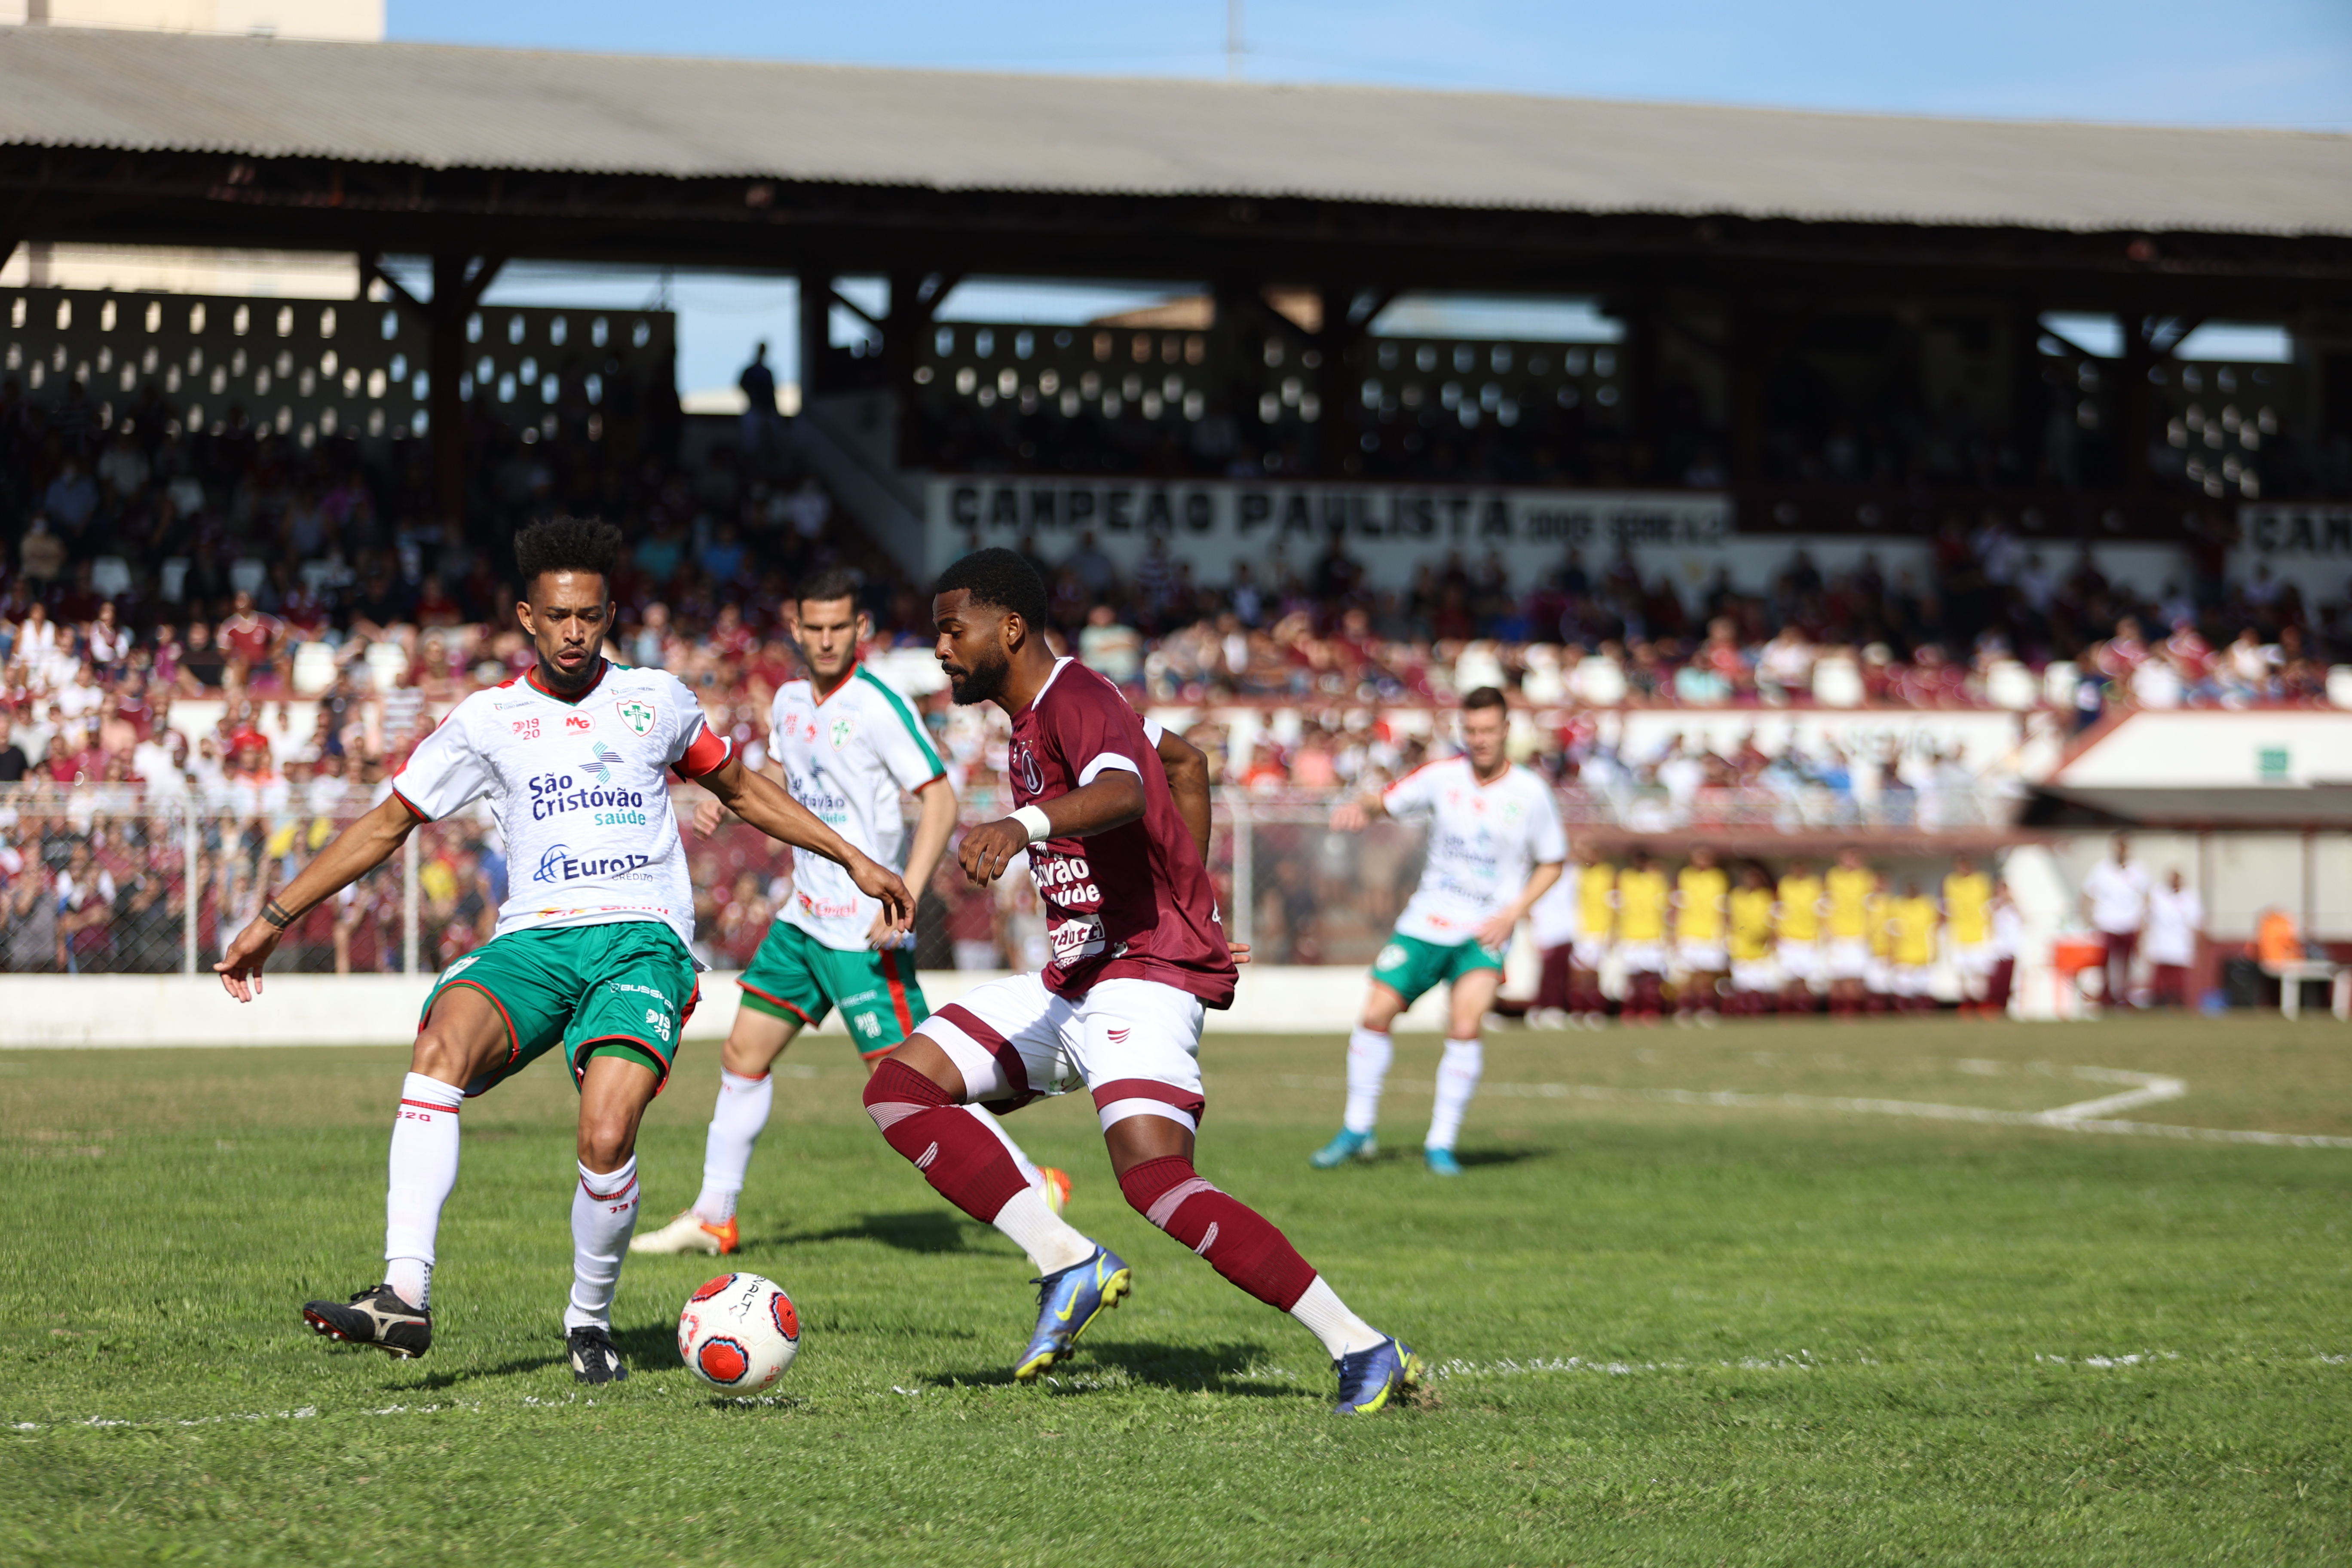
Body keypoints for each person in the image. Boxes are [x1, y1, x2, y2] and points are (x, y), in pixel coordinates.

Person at [213, 518, 914, 1383]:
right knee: (439, 1050)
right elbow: (388, 823)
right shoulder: (488, 720)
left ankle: (589, 1320)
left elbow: (739, 788)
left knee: (607, 1130)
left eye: (591, 615)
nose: (577, 632)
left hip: (640, 941)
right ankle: (403, 1293)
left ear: (609, 613)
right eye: (559, 617)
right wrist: (272, 920)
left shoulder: (656, 700)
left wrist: (852, 856)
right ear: (527, 619)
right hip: (534, 941)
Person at [860, 548, 1420, 1413]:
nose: (940, 648)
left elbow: (1123, 791)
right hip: (1075, 977)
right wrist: (1198, 908)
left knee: (1155, 1181)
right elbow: (1187, 763)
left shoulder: (1076, 700)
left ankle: (1363, 1347)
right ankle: (1067, 1261)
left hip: (1139, 978)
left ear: (1010, 628)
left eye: (951, 628)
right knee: (902, 1088)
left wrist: (1023, 826)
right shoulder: (1063, 709)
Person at [635, 568, 1070, 1256]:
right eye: (817, 627)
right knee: (743, 1054)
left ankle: (1030, 1186)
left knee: (910, 1083)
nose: (830, 639)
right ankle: (714, 1215)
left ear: (860, 629)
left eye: (842, 627)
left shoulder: (876, 704)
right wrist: (731, 793)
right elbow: (784, 779)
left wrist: (906, 892)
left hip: (864, 931)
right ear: (797, 627)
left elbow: (940, 798)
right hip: (804, 917)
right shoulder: (785, 700)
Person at [1313, 686, 1566, 1175]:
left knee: (1466, 1025)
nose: (1481, 740)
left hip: (1486, 931)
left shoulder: (1531, 793)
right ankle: (1357, 1129)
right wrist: (1361, 808)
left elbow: (1552, 863)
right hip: (1427, 921)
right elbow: (1385, 801)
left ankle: (1441, 1144)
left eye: (1490, 730)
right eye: (1472, 731)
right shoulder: (1442, 778)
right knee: (1375, 1014)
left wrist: (1513, 914)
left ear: (1507, 731)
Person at [2080, 833, 2150, 1009]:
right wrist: (2087, 918)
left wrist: (2144, 921)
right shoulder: (2101, 869)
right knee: (2105, 964)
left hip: (2129, 923)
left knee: (2127, 963)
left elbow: (2146, 896)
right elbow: (2087, 893)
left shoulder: (2138, 869)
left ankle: (2123, 995)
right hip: (2106, 923)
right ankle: (2106, 995)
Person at [1672, 845, 1728, 1024]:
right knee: (1686, 975)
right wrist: (1673, 932)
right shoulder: (1685, 876)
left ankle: (1705, 1010)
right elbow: (1676, 907)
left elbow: (1723, 908)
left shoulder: (1719, 878)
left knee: (1706, 976)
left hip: (1711, 933)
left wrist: (1725, 931)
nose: (1703, 861)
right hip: (1688, 932)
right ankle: (1685, 1010)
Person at [1614, 848, 1671, 1025]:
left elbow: (1666, 907)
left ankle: (1650, 1012)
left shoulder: (1657, 879)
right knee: (1632, 978)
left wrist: (1668, 932)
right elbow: (1617, 906)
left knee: (1652, 977)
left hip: (1652, 934)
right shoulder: (1624, 878)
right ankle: (1630, 1012)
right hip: (1630, 934)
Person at [1822, 848, 1876, 1018]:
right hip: (1838, 934)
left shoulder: (1866, 878)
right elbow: (1826, 904)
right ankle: (1836, 1012)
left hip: (1858, 934)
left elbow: (1871, 906)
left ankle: (1850, 1013)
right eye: (1848, 856)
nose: (1851, 860)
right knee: (1837, 977)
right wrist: (1827, 928)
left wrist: (1870, 930)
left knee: (1854, 978)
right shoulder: (1832, 877)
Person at [1568, 845, 1615, 1027]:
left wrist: (1612, 931)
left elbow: (1614, 904)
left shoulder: (1608, 874)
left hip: (1599, 930)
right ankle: (1578, 1011)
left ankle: (1594, 1011)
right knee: (1578, 974)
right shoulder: (1577, 874)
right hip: (1579, 930)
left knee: (1594, 972)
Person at [1944, 854, 1995, 1018]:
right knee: (1962, 974)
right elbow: (1948, 906)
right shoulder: (1951, 882)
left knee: (1980, 974)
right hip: (1959, 935)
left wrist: (1992, 930)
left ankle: (1984, 1005)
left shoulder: (1982, 881)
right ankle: (1967, 1006)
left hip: (1979, 934)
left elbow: (1990, 905)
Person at [2144, 870, 2203, 1008]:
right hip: (2160, 944)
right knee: (2160, 980)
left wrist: (2199, 947)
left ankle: (2177, 1003)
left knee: (2178, 981)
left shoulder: (2191, 897)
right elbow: (2146, 919)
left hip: (2181, 946)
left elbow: (2197, 924)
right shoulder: (2157, 895)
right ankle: (2158, 1004)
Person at [1726, 862, 1777, 1017]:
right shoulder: (1736, 896)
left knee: (1760, 984)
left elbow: (1773, 920)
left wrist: (1770, 937)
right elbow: (1728, 918)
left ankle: (1758, 1014)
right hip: (1741, 945)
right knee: (1742, 984)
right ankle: (1742, 1014)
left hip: (1761, 947)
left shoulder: (1766, 897)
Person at [1775, 856, 1823, 1015]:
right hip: (1788, 938)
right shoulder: (1785, 885)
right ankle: (1786, 1012)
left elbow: (1821, 911)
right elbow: (1777, 911)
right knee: (1788, 979)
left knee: (1806, 979)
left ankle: (1803, 1013)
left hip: (1809, 938)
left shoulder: (1815, 885)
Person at [1886, 882, 1940, 1014]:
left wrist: (1935, 949)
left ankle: (1923, 1011)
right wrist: (1891, 951)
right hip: (1903, 952)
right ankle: (1903, 1011)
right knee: (1903, 986)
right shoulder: (1897, 905)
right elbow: (1890, 931)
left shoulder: (1927, 904)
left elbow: (1935, 927)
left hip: (1923, 952)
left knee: (1923, 985)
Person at [738, 341, 781, 459]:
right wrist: (753, 397)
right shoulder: (751, 371)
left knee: (771, 441)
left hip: (768, 411)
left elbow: (772, 393)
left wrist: (776, 412)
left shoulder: (767, 373)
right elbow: (742, 385)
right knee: (752, 442)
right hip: (755, 410)